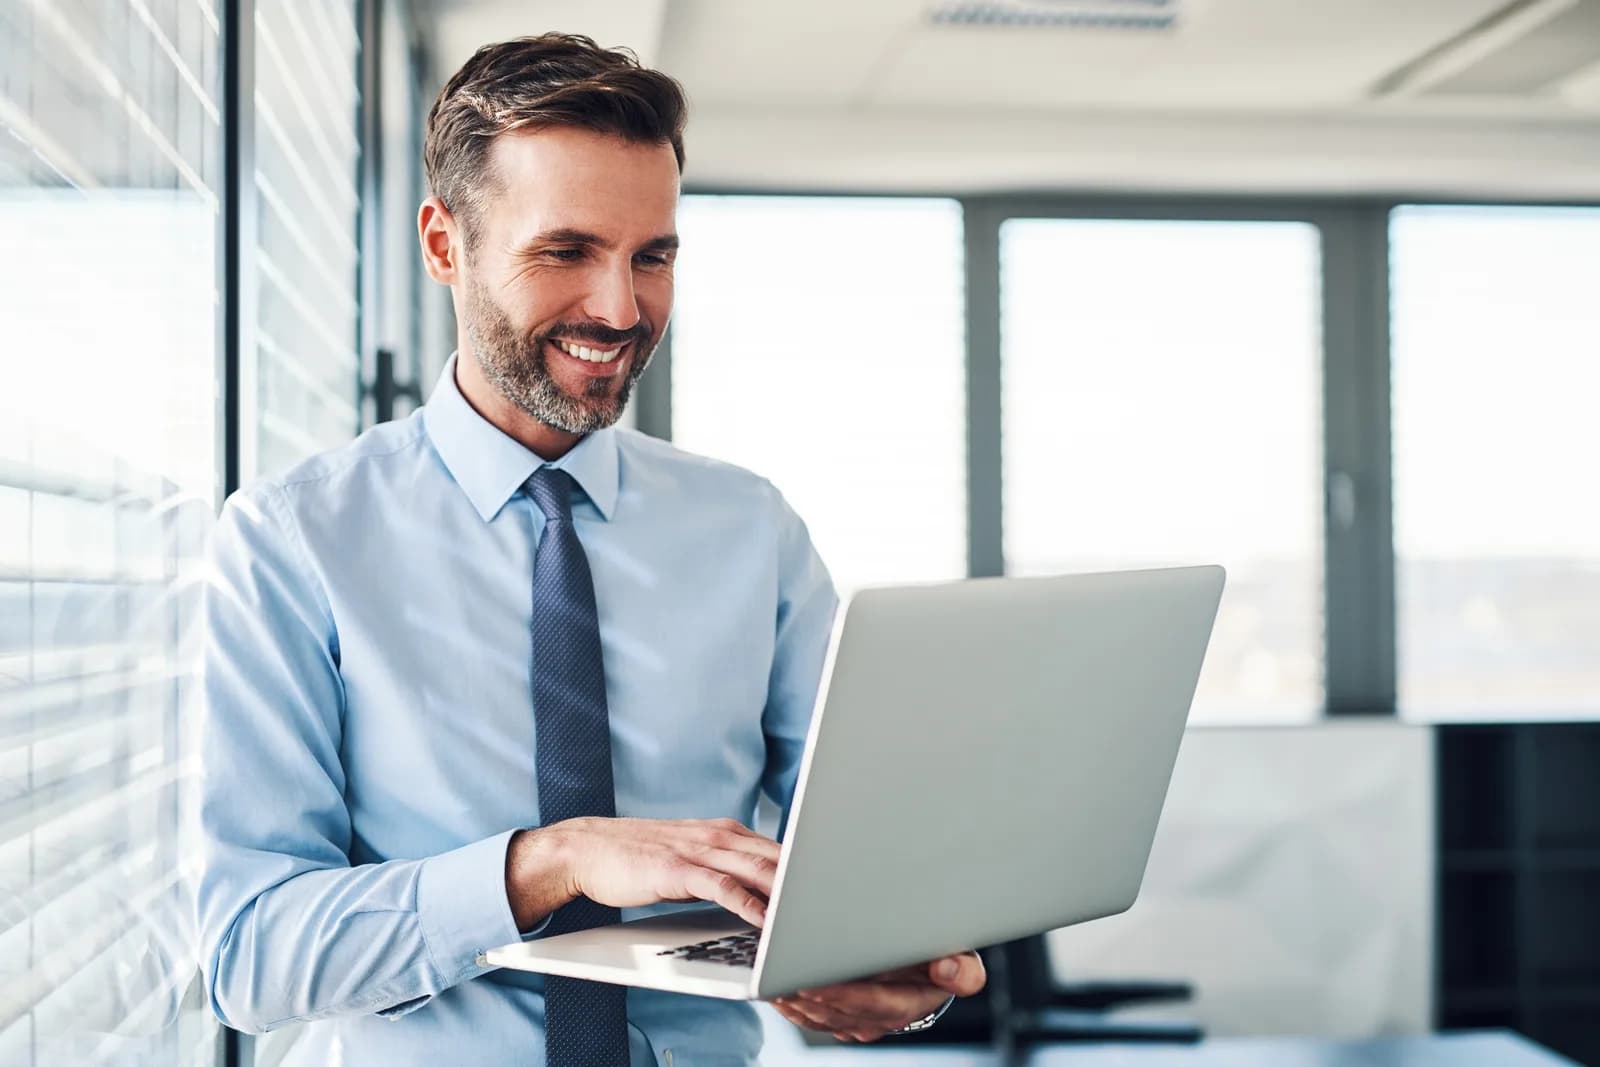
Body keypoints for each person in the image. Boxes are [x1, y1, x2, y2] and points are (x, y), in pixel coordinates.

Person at [196, 33, 985, 1066]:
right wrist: (553, 860)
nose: (619, 309)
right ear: (445, 245)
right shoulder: (293, 541)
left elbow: (856, 873)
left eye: (650, 256)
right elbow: (252, 958)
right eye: (565, 250)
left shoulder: (750, 530)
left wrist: (893, 976)